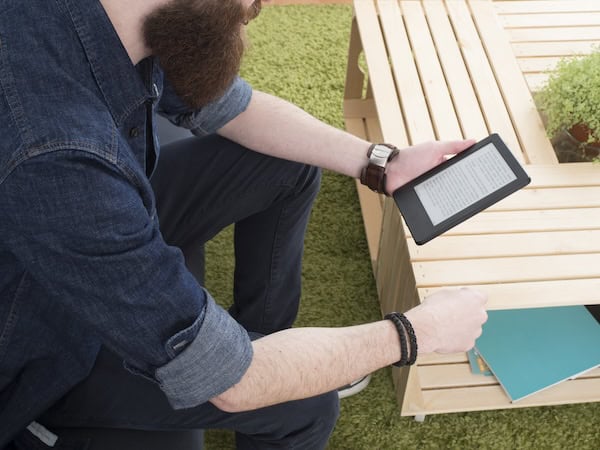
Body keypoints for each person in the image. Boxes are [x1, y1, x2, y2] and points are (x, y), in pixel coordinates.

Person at [0, 0, 488, 448]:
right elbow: (236, 383)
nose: (259, 5)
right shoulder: (55, 155)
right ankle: (263, 359)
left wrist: (380, 162)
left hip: (88, 224)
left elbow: (232, 106)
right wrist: (414, 332)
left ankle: (266, 339)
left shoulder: (117, 19)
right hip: (47, 338)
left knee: (286, 167)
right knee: (303, 406)